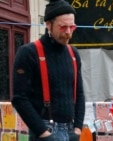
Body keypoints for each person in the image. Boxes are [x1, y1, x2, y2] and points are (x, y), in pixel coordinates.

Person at [11, 0, 85, 141]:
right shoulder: (29, 53)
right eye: (63, 27)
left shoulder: (73, 54)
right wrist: (43, 133)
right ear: (48, 25)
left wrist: (77, 129)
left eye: (72, 27)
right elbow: (19, 98)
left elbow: (79, 94)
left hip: (70, 131)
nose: (68, 32)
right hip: (45, 131)